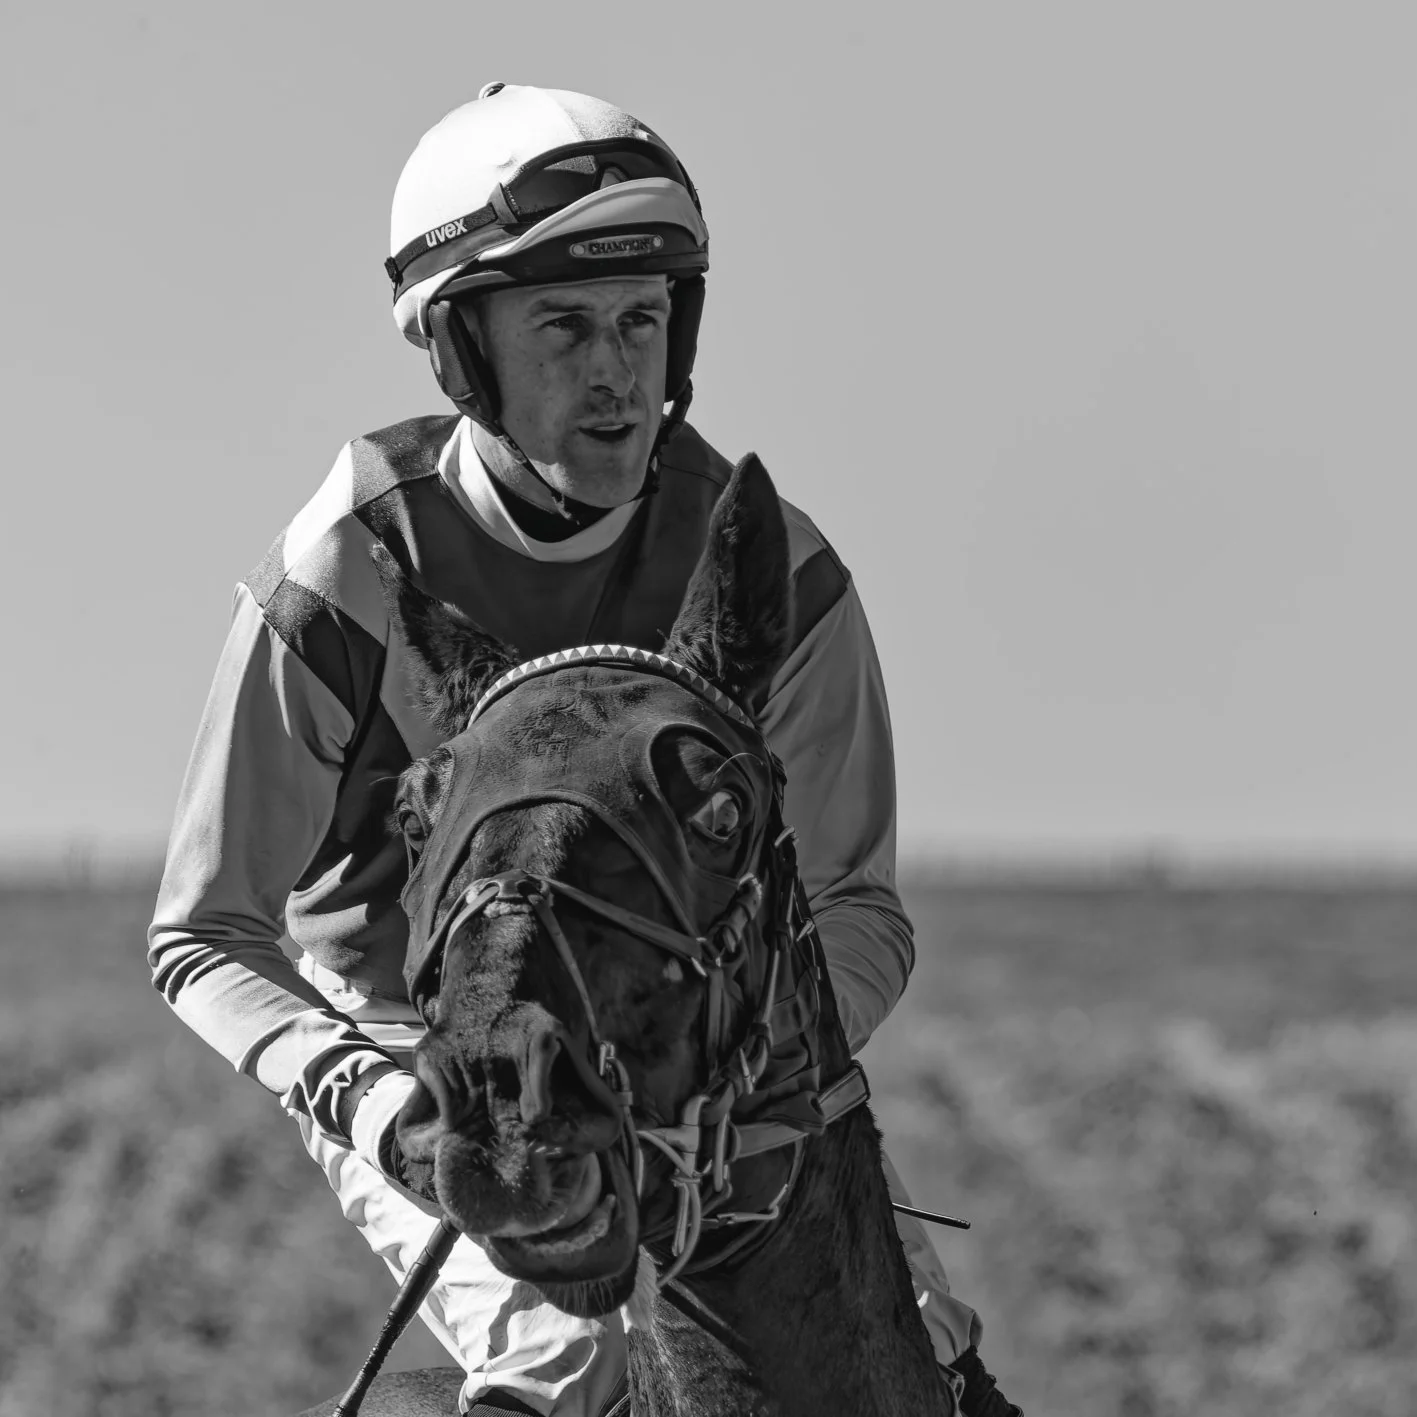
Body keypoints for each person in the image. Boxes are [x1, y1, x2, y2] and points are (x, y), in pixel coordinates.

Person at [149, 84, 1017, 1417]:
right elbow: (204, 937)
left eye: (644, 322)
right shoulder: (345, 572)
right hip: (434, 1048)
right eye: (564, 327)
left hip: (704, 1037)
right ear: (460, 352)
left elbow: (858, 911)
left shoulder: (773, 572)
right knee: (571, 1358)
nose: (619, 373)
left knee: (922, 1343)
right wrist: (391, 1113)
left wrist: (738, 1066)